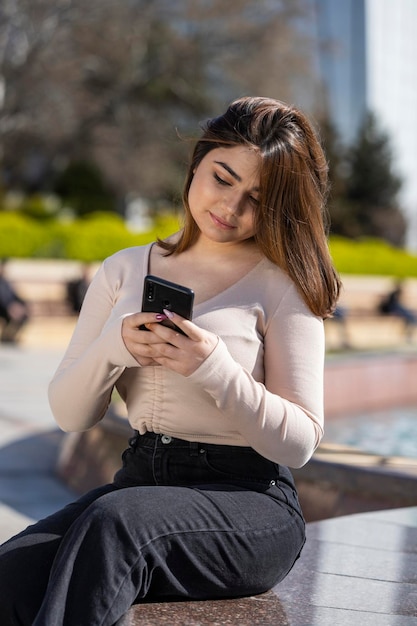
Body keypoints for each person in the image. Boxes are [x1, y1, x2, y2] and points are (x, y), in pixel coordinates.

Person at [0, 96, 341, 625]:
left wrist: (214, 367)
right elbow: (70, 416)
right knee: (11, 572)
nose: (231, 208)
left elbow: (298, 443)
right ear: (197, 163)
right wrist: (114, 347)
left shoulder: (285, 286)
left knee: (118, 520)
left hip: (249, 501)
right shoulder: (124, 270)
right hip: (140, 482)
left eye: (258, 198)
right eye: (222, 179)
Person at [0, 258, 30, 344]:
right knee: (14, 313)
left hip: (10, 308)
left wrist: (21, 305)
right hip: (3, 309)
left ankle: (8, 337)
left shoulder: (6, 282)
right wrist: (8, 307)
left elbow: (15, 296)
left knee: (23, 315)